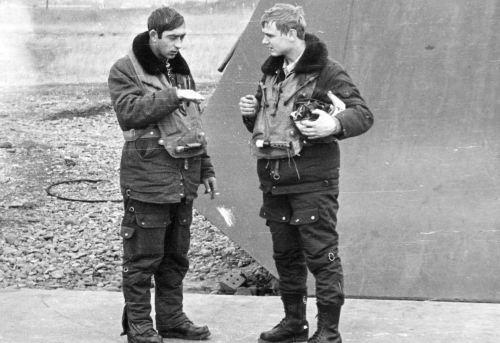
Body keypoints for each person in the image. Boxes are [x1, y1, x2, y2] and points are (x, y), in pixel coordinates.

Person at [238, 4, 374, 343]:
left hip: (313, 181)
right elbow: (266, 125)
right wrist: (250, 112)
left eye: (269, 34)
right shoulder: (271, 73)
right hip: (274, 180)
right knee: (285, 255)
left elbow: (363, 114)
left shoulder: (327, 71)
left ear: (290, 33)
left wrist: (335, 123)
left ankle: (328, 332)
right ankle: (294, 323)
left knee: (321, 255)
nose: (265, 41)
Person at [108, 7, 217, 343]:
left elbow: (192, 125)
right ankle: (139, 325)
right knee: (143, 257)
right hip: (147, 179)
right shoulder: (125, 69)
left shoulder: (180, 70)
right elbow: (129, 113)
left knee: (175, 257)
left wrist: (207, 168)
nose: (178, 44)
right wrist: (173, 95)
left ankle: (171, 319)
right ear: (153, 35)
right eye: (172, 37)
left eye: (182, 37)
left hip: (183, 177)